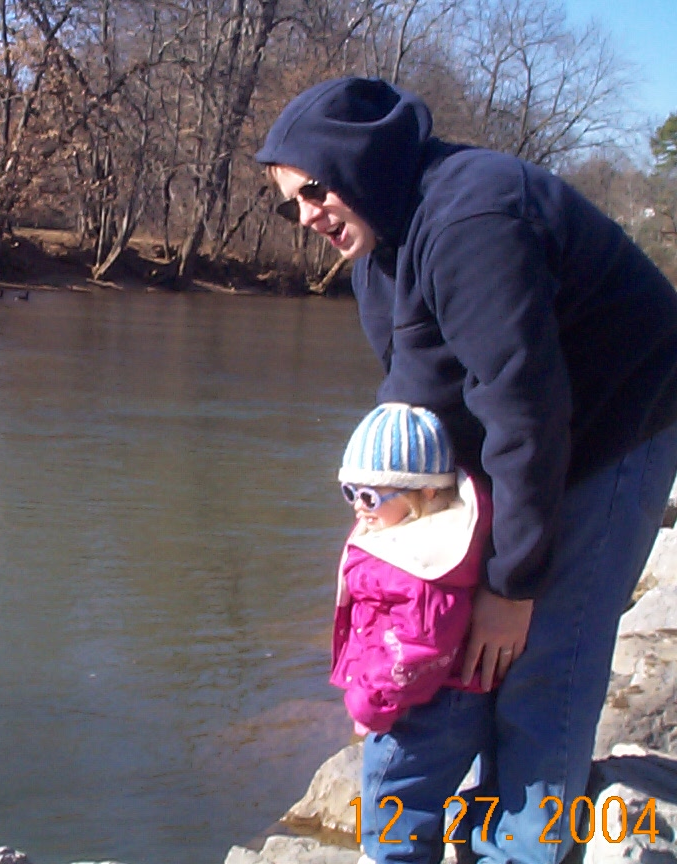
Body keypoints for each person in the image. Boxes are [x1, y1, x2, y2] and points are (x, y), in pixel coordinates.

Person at [255, 77, 677, 864]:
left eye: (313, 190)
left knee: (547, 655)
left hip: (620, 412)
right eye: (290, 206)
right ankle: (467, 828)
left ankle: (525, 847)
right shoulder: (377, 248)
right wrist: (397, 522)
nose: (305, 216)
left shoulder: (474, 220)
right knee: (454, 642)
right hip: (533, 425)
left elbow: (524, 414)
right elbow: (423, 400)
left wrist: (512, 586)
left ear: (360, 161)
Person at [332, 403, 492, 864]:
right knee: (410, 799)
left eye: (370, 497)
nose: (357, 508)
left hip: (423, 707)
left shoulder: (422, 570)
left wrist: (370, 703)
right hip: (429, 698)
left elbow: (417, 648)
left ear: (425, 492)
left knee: (393, 803)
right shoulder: (411, 536)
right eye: (349, 492)